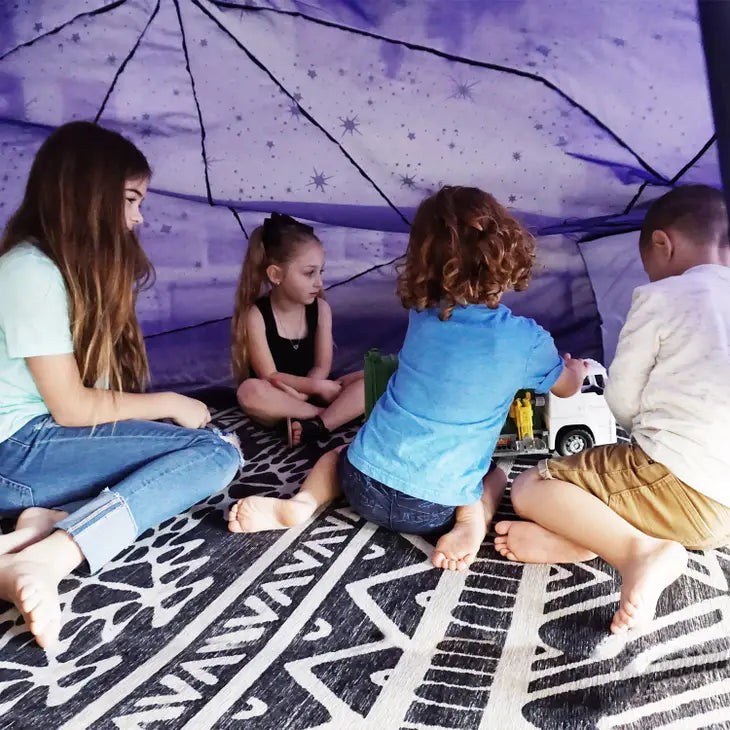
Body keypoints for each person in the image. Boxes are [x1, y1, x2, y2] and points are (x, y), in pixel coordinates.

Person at [228, 186, 586, 569]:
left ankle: (302, 503)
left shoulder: (422, 316)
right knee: (493, 475)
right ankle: (471, 523)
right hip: (435, 508)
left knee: (335, 456)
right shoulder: (528, 340)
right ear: (507, 251)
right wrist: (575, 370)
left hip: (361, 483)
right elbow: (565, 388)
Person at [0, 121, 242, 648]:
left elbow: (96, 401)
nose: (138, 217)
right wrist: (172, 402)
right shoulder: (28, 271)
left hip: (35, 448)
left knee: (181, 451)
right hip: (16, 451)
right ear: (86, 194)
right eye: (131, 199)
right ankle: (52, 555)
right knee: (214, 454)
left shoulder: (66, 272)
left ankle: (46, 518)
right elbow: (71, 408)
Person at [494, 184, 730, 634]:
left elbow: (621, 400)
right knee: (616, 487)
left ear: (662, 244)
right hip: (723, 511)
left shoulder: (663, 297)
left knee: (530, 487)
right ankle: (582, 540)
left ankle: (639, 553)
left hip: (679, 485)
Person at [232, 212, 364, 447]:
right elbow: (269, 376)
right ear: (276, 275)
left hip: (320, 387)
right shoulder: (256, 315)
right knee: (248, 390)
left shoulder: (321, 309)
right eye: (309, 273)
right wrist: (308, 393)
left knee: (381, 375)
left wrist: (318, 386)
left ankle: (319, 420)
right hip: (282, 396)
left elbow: (322, 366)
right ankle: (327, 417)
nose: (319, 283)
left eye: (320, 272)